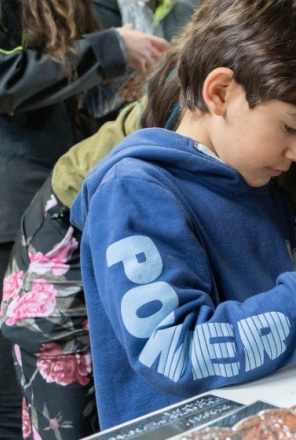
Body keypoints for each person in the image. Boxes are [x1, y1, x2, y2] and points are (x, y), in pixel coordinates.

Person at [69, 0, 296, 429]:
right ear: (220, 92)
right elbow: (177, 353)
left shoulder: (264, 190)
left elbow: (254, 324)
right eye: (291, 127)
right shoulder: (134, 192)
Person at [0, 1, 168, 437]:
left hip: (58, 198)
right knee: (14, 398)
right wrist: (109, 48)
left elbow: (51, 104)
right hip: (15, 211)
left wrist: (113, 85)